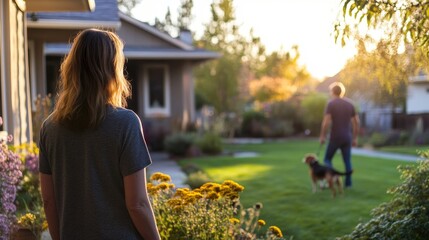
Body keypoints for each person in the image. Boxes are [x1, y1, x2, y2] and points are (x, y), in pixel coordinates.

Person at [38, 28, 161, 240]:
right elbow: (138, 204)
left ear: (72, 68)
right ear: (112, 70)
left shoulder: (49, 128)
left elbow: (49, 200)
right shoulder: (126, 123)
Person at [319, 82, 360, 188]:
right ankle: (348, 184)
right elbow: (356, 122)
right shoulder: (350, 104)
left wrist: (322, 136)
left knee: (327, 159)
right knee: (347, 160)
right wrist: (355, 138)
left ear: (332, 92)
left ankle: (331, 178)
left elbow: (326, 122)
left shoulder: (331, 104)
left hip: (335, 137)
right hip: (347, 137)